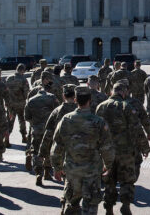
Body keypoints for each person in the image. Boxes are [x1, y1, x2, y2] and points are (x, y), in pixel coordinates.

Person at [51, 86, 115, 215]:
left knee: (72, 202)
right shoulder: (98, 122)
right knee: (90, 205)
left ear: (75, 100)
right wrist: (108, 166)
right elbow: (107, 147)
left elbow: (57, 146)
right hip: (91, 172)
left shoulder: (66, 120)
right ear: (90, 100)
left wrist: (56, 167)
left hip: (72, 170)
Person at [96, 81, 150, 215]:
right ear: (123, 92)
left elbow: (96, 130)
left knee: (109, 181)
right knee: (127, 180)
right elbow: (137, 129)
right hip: (125, 152)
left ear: (112, 92)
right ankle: (125, 205)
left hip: (107, 153)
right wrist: (145, 148)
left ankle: (109, 208)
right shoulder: (126, 106)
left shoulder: (100, 107)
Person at [24, 73, 59, 186]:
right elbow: (57, 113)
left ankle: (38, 172)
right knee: (48, 149)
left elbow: (27, 117)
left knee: (36, 150)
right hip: (49, 129)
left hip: (36, 128)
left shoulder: (31, 99)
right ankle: (47, 172)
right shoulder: (52, 98)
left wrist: (35, 123)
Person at [38, 84, 78, 174]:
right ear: (75, 96)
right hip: (81, 152)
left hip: (62, 152)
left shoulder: (57, 111)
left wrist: (42, 152)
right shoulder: (83, 111)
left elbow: (48, 134)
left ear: (63, 96)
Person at [5, 63, 30, 145]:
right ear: (22, 70)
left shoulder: (9, 78)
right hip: (20, 104)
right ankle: (24, 137)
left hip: (10, 104)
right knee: (22, 120)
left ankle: (6, 139)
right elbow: (26, 92)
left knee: (10, 121)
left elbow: (5, 91)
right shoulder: (23, 79)